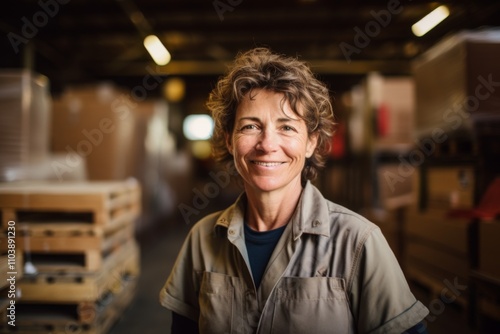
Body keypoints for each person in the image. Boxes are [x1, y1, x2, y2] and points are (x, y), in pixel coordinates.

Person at [160, 47, 429, 333]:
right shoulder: (202, 240)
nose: (267, 144)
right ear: (229, 140)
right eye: (251, 126)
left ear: (311, 142)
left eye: (287, 127)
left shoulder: (358, 243)